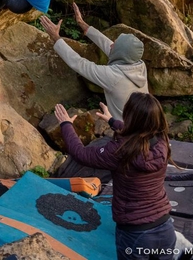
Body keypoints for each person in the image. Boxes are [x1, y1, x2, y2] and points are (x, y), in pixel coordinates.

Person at [54, 93, 176, 260]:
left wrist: (66, 124)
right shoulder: (162, 139)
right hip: (165, 228)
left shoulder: (120, 151)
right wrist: (112, 121)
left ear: (130, 117)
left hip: (136, 234)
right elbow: (136, 133)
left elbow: (81, 153)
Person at [40, 3, 148, 119]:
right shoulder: (139, 65)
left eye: (114, 45)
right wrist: (82, 24)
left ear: (120, 53)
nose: (111, 46)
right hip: (144, 125)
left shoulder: (114, 77)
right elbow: (109, 45)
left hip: (126, 132)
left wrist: (55, 37)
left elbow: (79, 63)